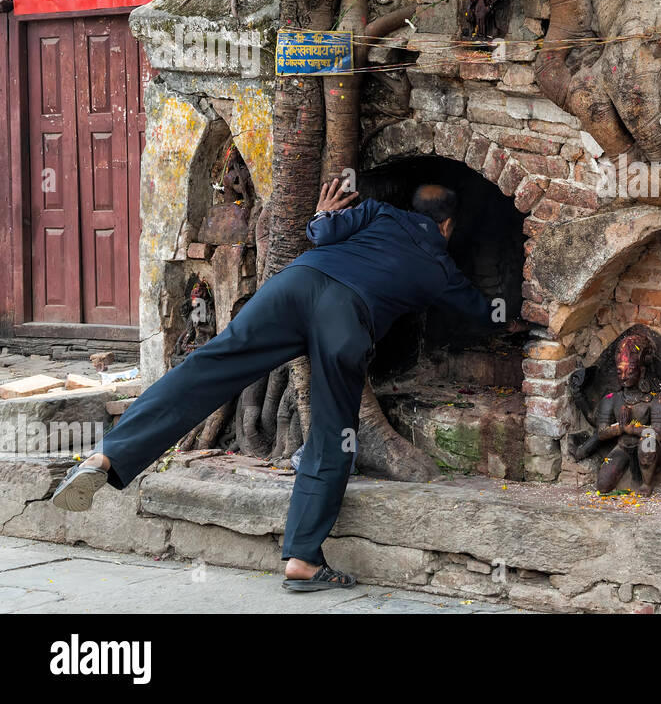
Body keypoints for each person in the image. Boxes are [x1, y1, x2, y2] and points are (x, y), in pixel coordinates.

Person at [50, 180, 523, 591]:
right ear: (446, 227)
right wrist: (516, 321)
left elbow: (319, 233)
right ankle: (303, 558)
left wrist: (322, 214)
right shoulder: (441, 268)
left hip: (292, 287)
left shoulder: (377, 211)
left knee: (208, 368)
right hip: (345, 320)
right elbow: (484, 315)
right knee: (335, 432)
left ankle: (108, 453)